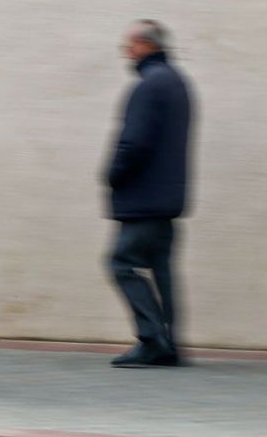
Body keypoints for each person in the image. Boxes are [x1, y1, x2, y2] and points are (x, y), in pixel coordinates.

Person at [105, 20, 192, 367]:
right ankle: (169, 342)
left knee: (121, 263)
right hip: (168, 200)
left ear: (145, 45)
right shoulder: (177, 83)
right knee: (161, 269)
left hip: (144, 200)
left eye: (130, 44)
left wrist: (112, 174)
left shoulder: (149, 85)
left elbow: (133, 142)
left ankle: (153, 339)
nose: (127, 51)